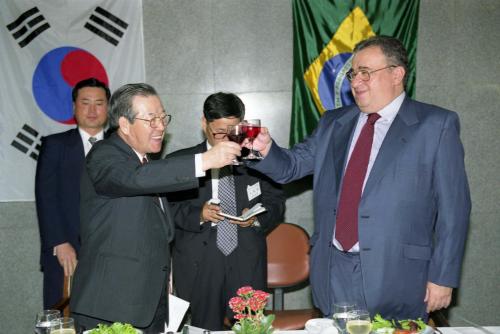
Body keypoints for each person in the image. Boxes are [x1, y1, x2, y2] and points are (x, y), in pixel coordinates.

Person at [246, 36, 471, 320]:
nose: (355, 81)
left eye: (366, 72)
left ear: (397, 73)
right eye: (353, 73)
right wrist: (266, 150)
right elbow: (290, 166)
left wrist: (443, 277)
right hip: (334, 269)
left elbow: (455, 209)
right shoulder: (333, 122)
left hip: (399, 275)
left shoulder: (435, 125)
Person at [69, 83, 241, 333]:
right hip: (110, 308)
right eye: (151, 119)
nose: (161, 126)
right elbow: (134, 178)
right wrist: (204, 160)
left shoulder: (145, 161)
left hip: (148, 305)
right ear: (124, 124)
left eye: (162, 117)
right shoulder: (104, 154)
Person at [167, 92, 286, 330]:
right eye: (218, 131)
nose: (224, 138)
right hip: (199, 263)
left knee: (251, 328)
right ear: (204, 123)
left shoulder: (257, 159)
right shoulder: (180, 161)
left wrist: (255, 218)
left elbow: (276, 202)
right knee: (202, 328)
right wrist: (198, 214)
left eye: (232, 130)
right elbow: (167, 210)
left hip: (246, 260)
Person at [35, 77, 110, 309]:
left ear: (108, 108)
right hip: (67, 253)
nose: (92, 110)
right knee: (63, 318)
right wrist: (59, 242)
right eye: (85, 102)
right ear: (73, 107)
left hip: (112, 252)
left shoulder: (123, 146)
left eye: (99, 103)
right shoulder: (55, 145)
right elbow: (46, 197)